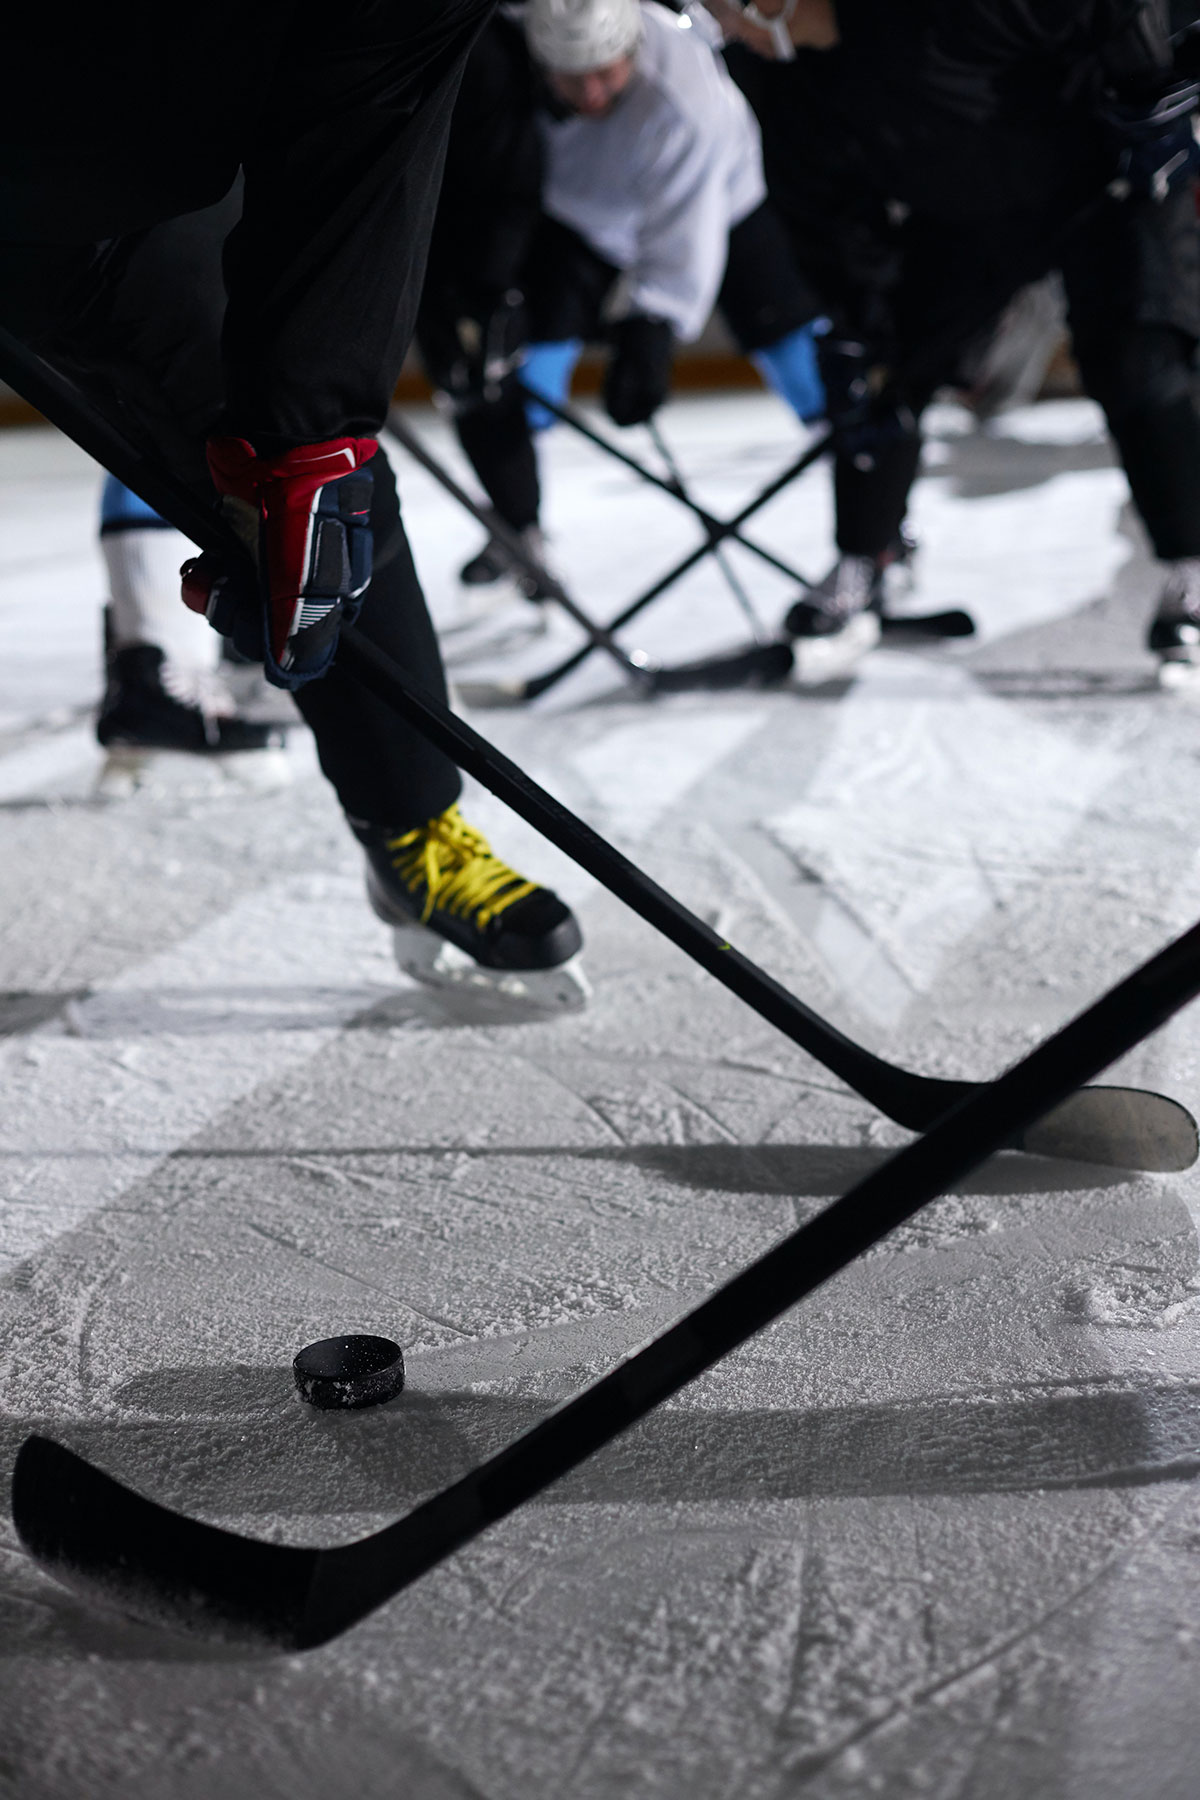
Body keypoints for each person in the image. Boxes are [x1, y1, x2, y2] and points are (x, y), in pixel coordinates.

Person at [0, 2, 585, 1004]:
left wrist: (310, 439)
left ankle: (415, 827)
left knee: (327, 499)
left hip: (141, 198)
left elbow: (351, 139)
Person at [713, 0, 1200, 678]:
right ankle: (868, 559)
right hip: (975, 216)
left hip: (1104, 170)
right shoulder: (780, 78)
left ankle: (1191, 569)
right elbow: (825, 212)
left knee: (1136, 359)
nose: (721, 27)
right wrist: (858, 327)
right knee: (879, 376)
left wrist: (1150, 87)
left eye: (724, 10)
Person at [416, 0, 828, 599]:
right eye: (571, 77)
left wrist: (653, 321)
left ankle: (879, 522)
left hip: (720, 198)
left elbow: (682, 232)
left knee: (785, 333)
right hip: (581, 210)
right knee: (521, 354)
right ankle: (518, 520)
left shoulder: (687, 103)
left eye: (606, 72)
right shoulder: (519, 41)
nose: (590, 93)